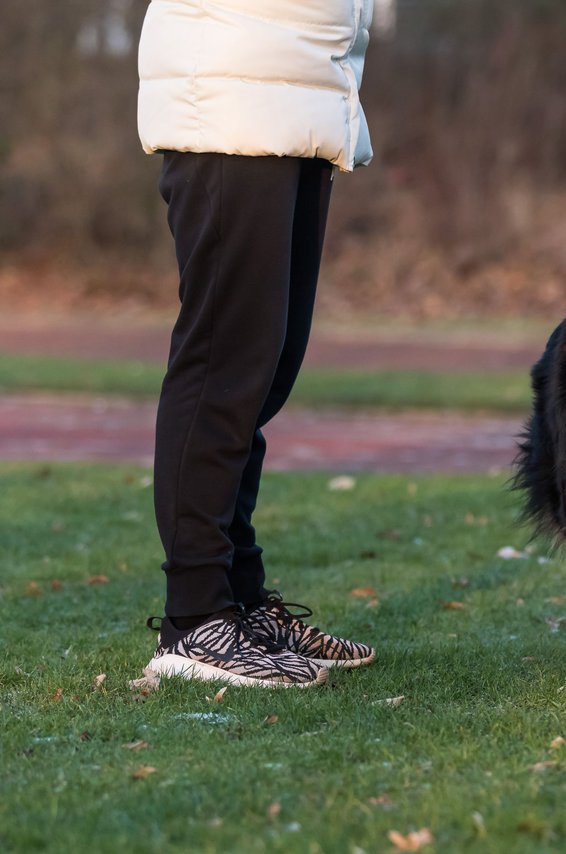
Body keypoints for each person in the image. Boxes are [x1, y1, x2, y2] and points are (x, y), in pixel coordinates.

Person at [137, 0, 377, 687]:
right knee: (224, 366)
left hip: (296, 93)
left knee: (263, 373)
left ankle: (238, 602)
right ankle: (195, 620)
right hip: (232, 94)